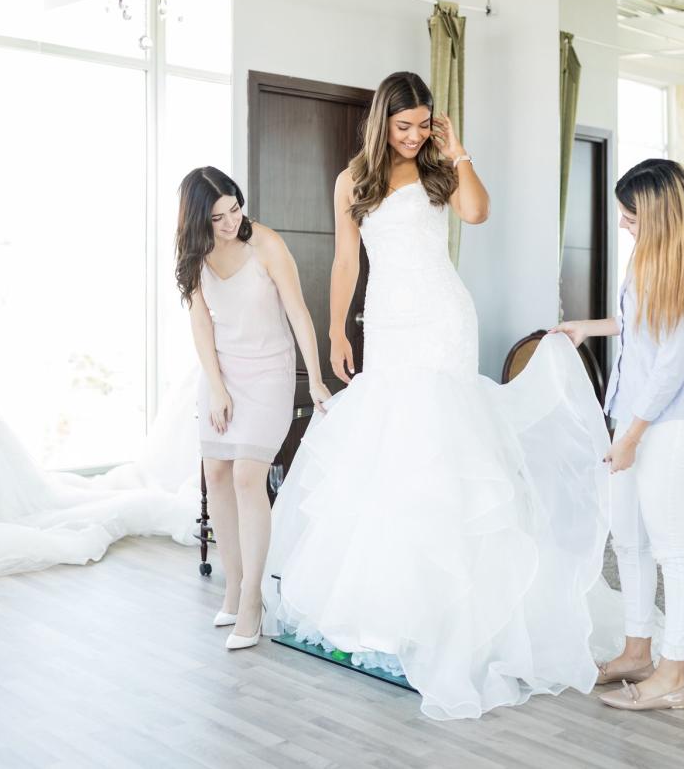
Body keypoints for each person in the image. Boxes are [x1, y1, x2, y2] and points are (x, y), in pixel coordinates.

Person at [263, 72, 624, 720]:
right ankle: (391, 606)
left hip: (442, 319)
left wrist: (455, 148)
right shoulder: (354, 180)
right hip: (389, 323)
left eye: (423, 124)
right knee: (391, 448)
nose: (413, 135)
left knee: (441, 443)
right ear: (382, 123)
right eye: (403, 126)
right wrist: (335, 327)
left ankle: (454, 610)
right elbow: (347, 260)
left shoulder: (437, 167)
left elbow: (479, 212)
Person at [554, 158, 684, 712]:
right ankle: (637, 651)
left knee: (673, 553)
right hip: (638, 418)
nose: (623, 224)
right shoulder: (651, 258)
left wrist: (631, 435)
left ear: (658, 213)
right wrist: (591, 327)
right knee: (627, 541)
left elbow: (670, 364)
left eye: (630, 216)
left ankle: (672, 675)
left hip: (671, 423)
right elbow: (643, 328)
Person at [175, 166, 331, 650]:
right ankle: (233, 583)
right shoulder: (195, 255)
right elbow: (201, 326)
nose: (229, 223)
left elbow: (298, 311)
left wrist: (318, 378)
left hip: (269, 372)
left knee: (247, 475)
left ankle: (252, 600)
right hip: (221, 373)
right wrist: (217, 387)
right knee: (216, 473)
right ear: (198, 219)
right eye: (217, 217)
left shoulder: (265, 244)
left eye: (235, 209)